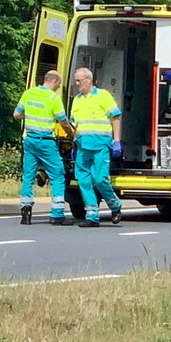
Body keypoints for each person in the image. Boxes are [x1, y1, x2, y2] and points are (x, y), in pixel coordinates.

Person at [13, 70, 73, 225]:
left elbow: (16, 114)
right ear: (54, 81)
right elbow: (63, 121)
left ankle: (25, 211)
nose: (59, 87)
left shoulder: (29, 93)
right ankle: (57, 214)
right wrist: (73, 134)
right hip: (46, 141)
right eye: (59, 84)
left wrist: (31, 116)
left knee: (28, 175)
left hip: (30, 140)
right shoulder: (53, 98)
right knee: (57, 175)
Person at [69, 66, 123, 228]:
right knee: (83, 181)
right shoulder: (77, 99)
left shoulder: (103, 96)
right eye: (76, 81)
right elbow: (74, 124)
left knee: (100, 179)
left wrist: (117, 141)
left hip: (100, 144)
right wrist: (73, 144)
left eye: (79, 80)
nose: (77, 84)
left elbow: (116, 117)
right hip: (83, 145)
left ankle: (115, 205)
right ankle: (92, 215)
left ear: (89, 80)